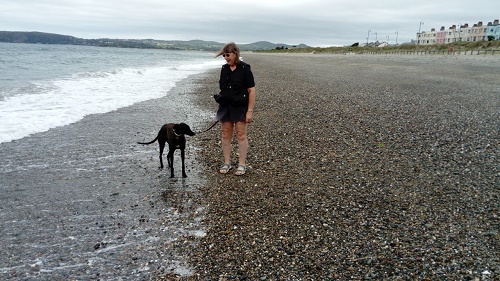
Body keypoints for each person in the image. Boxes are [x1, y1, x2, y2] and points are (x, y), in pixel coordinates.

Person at [215, 42, 256, 176]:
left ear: (235, 54)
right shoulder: (224, 69)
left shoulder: (245, 69)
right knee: (226, 133)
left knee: (241, 135)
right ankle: (227, 162)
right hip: (226, 106)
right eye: (224, 56)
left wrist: (249, 111)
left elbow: (251, 91)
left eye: (228, 55)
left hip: (240, 107)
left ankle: (242, 164)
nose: (226, 58)